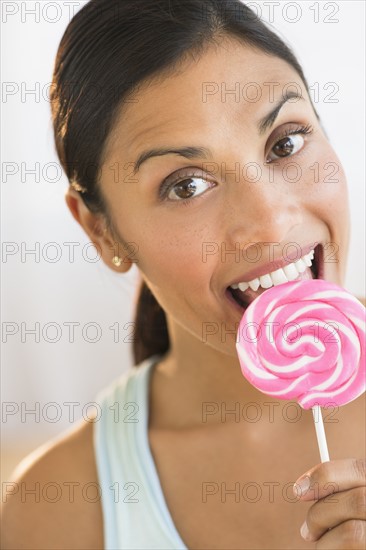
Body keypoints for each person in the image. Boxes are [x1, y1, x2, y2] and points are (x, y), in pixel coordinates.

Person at [2, 1, 365, 548]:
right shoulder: (55, 510)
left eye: (285, 143)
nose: (270, 222)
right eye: (186, 185)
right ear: (103, 233)